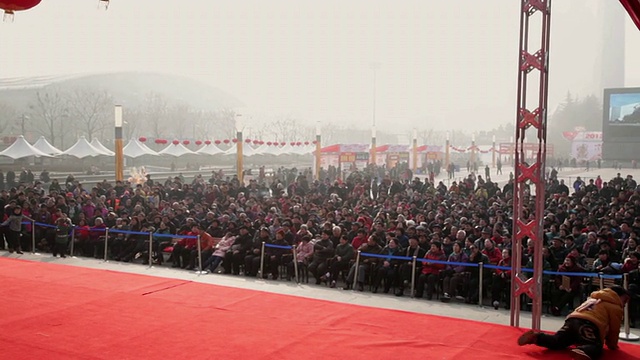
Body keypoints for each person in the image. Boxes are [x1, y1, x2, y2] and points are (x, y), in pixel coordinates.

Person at [518, 286, 630, 360]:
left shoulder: (593, 298)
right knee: (595, 347)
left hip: (572, 320)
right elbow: (615, 329)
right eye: (624, 300)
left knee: (558, 341)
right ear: (616, 296)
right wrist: (612, 345)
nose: (624, 304)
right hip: (589, 324)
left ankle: (537, 337)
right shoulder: (615, 306)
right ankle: (582, 351)